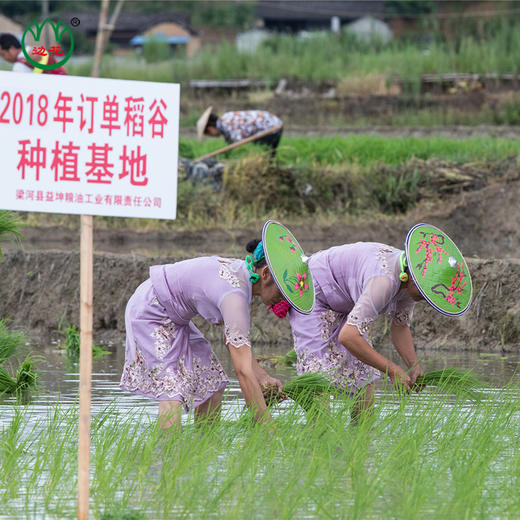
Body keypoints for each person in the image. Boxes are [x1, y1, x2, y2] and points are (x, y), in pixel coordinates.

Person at [120, 220, 314, 429]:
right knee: (172, 387)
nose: (283, 298)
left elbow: (237, 348)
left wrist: (264, 377)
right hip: (150, 309)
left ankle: (204, 449)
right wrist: (268, 427)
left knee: (212, 382)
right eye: (283, 289)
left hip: (175, 318)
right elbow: (242, 371)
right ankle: (165, 456)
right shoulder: (235, 296)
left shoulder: (241, 275)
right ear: (265, 274)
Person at [287, 223, 473, 419]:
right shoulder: (384, 281)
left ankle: (359, 443)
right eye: (426, 291)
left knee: (364, 392)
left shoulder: (410, 283)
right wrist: (392, 370)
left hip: (345, 303)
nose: (427, 297)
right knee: (319, 391)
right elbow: (349, 337)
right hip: (313, 291)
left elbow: (400, 327)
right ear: (414, 275)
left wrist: (413, 366)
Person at [196, 107, 283, 155]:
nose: (213, 136)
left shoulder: (227, 123)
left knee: (261, 153)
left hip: (271, 127)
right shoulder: (225, 120)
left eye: (209, 134)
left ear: (210, 128)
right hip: (274, 123)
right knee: (268, 155)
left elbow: (239, 144)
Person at [0, 33, 67, 75]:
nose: (4, 58)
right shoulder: (38, 51)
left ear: (12, 49)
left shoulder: (19, 66)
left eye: (3, 54)